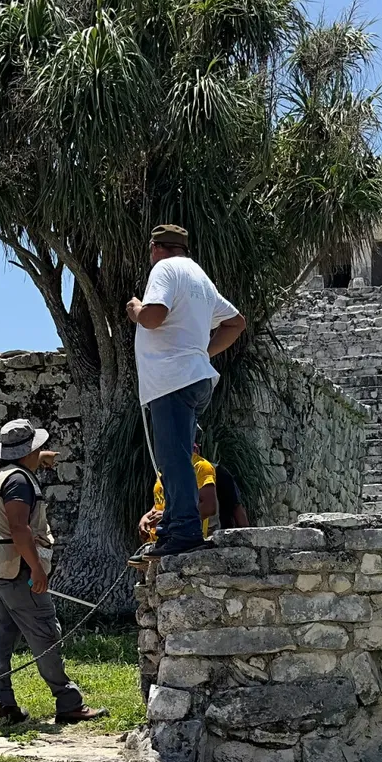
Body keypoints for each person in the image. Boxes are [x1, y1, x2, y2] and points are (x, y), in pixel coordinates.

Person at [125, 223, 247, 557]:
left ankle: (183, 531)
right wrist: (202, 352)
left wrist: (135, 309)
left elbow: (154, 316)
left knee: (173, 459)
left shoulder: (164, 269)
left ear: (155, 248)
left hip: (172, 381)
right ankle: (180, 527)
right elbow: (236, 322)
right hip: (196, 379)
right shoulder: (199, 277)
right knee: (178, 455)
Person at [0, 418, 108, 730]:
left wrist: (40, 458)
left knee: (1, 639)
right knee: (45, 634)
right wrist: (37, 569)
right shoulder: (19, 483)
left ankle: (3, 703)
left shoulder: (2, 473)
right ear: (28, 450)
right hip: (20, 570)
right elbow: (19, 528)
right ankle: (68, 702)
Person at [139, 439, 218, 544]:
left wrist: (169, 517)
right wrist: (147, 517)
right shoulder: (165, 469)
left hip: (183, 543)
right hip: (157, 544)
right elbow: (160, 501)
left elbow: (209, 507)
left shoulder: (200, 466)